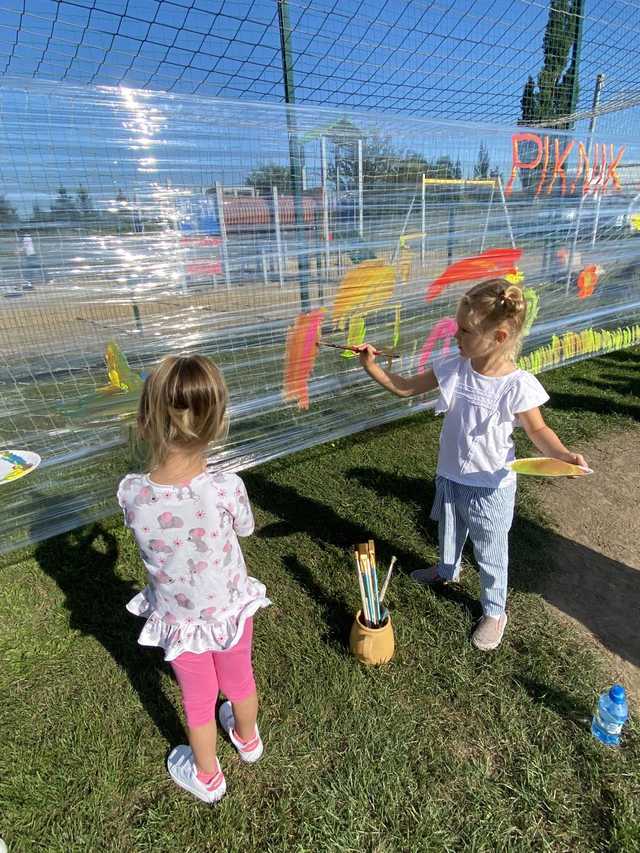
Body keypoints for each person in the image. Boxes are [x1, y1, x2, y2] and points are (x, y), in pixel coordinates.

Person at [357, 279, 587, 651]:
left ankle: (495, 610)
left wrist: (561, 454)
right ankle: (447, 570)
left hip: (491, 487)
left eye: (464, 331)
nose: (455, 337)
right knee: (449, 530)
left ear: (497, 336)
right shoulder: (455, 366)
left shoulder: (517, 385)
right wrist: (370, 366)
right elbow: (404, 387)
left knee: (490, 549)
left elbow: (538, 429)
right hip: (451, 474)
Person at [118, 355, 270, 803]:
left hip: (178, 618)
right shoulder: (226, 487)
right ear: (217, 423)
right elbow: (245, 528)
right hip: (228, 607)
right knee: (240, 680)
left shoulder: (131, 491)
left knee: (198, 699)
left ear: (145, 422)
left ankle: (207, 776)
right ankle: (248, 739)